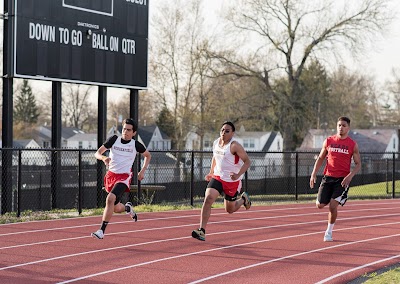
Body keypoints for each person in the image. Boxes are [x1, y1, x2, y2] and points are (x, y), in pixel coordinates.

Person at [92, 118, 151, 239]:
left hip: (124, 177)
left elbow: (148, 155)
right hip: (111, 176)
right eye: (124, 129)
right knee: (115, 207)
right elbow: (97, 153)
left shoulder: (135, 145)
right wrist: (104, 158)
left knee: (110, 199)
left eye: (129, 130)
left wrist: (143, 170)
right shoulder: (114, 140)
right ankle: (127, 207)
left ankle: (101, 231)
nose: (126, 132)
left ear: (134, 133)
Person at [192, 121, 252, 241]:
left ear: (232, 133)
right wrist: (211, 172)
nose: (223, 133)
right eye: (222, 130)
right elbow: (215, 157)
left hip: (231, 181)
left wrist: (238, 174)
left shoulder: (234, 146)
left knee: (230, 209)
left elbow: (247, 162)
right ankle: (202, 230)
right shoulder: (216, 142)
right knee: (208, 199)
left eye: (227, 131)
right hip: (218, 177)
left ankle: (244, 199)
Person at [310, 116, 361, 242]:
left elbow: (358, 164)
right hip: (328, 177)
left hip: (342, 180)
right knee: (320, 205)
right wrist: (313, 173)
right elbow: (321, 158)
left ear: (348, 128)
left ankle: (329, 232)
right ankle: (334, 197)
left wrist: (350, 176)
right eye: (339, 125)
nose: (341, 128)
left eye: (344, 126)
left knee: (333, 206)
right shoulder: (328, 141)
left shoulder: (352, 145)